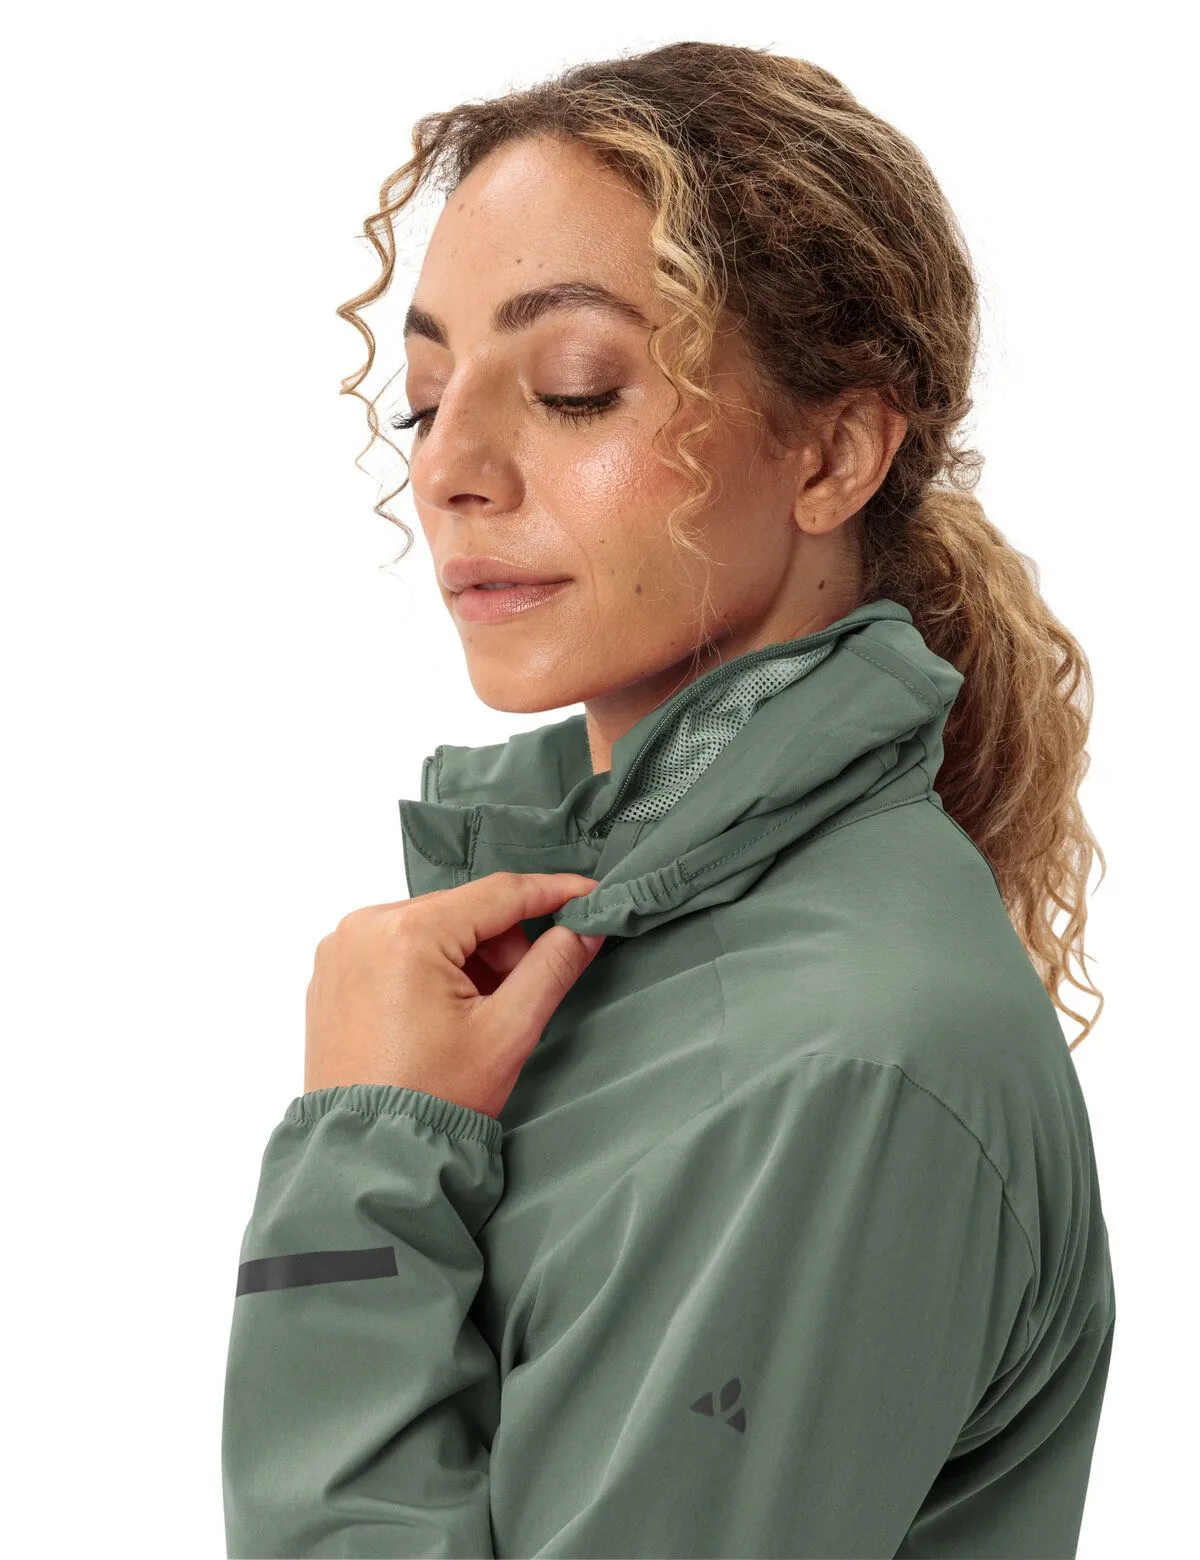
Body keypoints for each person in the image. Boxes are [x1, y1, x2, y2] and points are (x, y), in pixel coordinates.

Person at [221, 40, 1116, 1559]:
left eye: (573, 390)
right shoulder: (625, 949)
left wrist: (361, 1162)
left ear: (833, 452)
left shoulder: (840, 1065)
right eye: (424, 402)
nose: (450, 467)